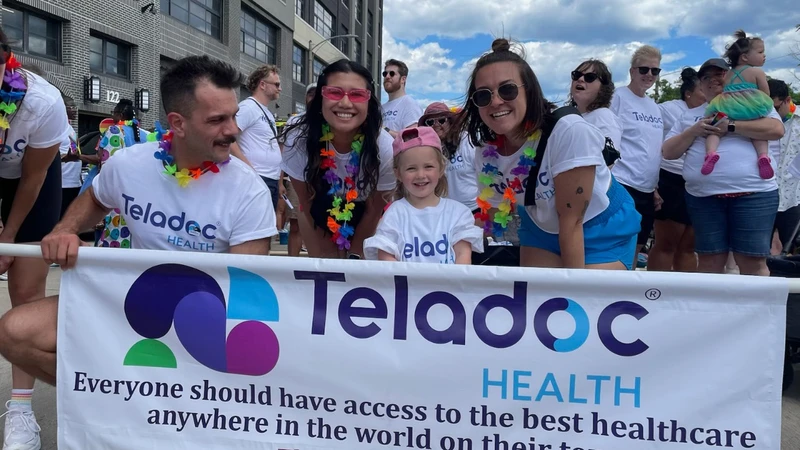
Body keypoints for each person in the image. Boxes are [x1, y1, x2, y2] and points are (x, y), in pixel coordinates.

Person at [0, 55, 278, 399]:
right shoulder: (129, 165)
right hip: (127, 303)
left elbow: (245, 296)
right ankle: (115, 392)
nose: (234, 130)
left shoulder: (249, 190)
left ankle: (156, 398)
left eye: (234, 116)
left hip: (206, 322)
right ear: (177, 123)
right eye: (218, 120)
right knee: (15, 332)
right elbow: (96, 200)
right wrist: (65, 230)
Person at [458, 38, 641, 269]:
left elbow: (571, 221)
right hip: (540, 227)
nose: (495, 101)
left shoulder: (569, 131)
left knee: (577, 301)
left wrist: (571, 291)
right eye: (483, 95)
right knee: (536, 298)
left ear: (529, 91)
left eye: (508, 89)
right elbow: (496, 214)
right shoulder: (486, 151)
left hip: (599, 228)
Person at [0, 30, 71, 450]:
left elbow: (32, 178)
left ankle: (21, 411)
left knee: (25, 292)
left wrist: (8, 240)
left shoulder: (42, 102)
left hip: (31, 182)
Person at [663, 58, 784, 275]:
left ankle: (755, 309)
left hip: (754, 194)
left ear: (730, 77)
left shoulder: (752, 101)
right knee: (709, 261)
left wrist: (730, 126)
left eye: (719, 75)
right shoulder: (689, 115)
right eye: (706, 77)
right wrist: (694, 131)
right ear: (699, 84)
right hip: (704, 198)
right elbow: (669, 152)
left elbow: (776, 129)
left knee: (752, 262)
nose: (713, 80)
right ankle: (711, 310)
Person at [280, 59, 395, 259]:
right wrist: (327, 251)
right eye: (335, 92)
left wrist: (354, 253)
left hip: (364, 212)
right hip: (317, 210)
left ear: (369, 101)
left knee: (357, 272)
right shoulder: (299, 139)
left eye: (357, 95)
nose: (345, 103)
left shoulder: (383, 147)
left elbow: (373, 210)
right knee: (325, 272)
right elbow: (307, 203)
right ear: (321, 98)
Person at [364, 126, 483, 263]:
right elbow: (385, 257)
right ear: (398, 174)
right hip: (407, 284)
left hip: (448, 284)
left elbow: (463, 256)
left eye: (428, 167)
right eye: (411, 168)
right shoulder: (394, 214)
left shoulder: (458, 213)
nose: (421, 175)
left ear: (441, 169)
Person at [610, 45, 665, 268]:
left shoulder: (654, 106)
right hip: (622, 182)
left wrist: (655, 188)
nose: (649, 75)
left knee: (639, 245)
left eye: (655, 71)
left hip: (647, 188)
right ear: (632, 71)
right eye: (644, 69)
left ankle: (626, 294)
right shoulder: (618, 97)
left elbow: (651, 148)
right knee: (618, 243)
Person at [648, 68, 706, 272]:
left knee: (689, 246)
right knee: (667, 244)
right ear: (688, 93)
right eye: (701, 89)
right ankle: (654, 293)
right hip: (670, 179)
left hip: (698, 182)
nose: (705, 93)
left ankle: (684, 298)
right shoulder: (668, 109)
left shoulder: (714, 109)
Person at [703, 30, 774, 179]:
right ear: (745, 57)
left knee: (715, 130)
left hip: (727, 106)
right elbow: (765, 93)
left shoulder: (728, 74)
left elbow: (725, 90)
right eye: (761, 52)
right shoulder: (756, 72)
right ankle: (762, 156)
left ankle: (710, 153)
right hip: (751, 107)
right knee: (757, 132)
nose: (764, 55)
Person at [93, 99, 149, 248]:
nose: (113, 117)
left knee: (114, 237)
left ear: (121, 114)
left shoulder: (114, 131)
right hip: (142, 199)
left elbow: (108, 167)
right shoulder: (148, 135)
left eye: (114, 113)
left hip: (118, 197)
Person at [229, 65, 283, 211]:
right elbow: (229, 138)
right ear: (263, 85)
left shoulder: (267, 112)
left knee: (267, 227)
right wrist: (249, 169)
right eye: (277, 84)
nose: (280, 88)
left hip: (270, 177)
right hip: (257, 177)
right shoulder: (248, 108)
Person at [417, 102, 478, 211]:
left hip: (474, 210)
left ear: (450, 122)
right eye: (430, 122)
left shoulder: (467, 141)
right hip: (446, 213)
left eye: (441, 120)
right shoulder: (426, 150)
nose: (436, 124)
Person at [769, 78, 800, 253]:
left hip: (794, 197)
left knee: (794, 251)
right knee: (759, 252)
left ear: (787, 100)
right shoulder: (760, 121)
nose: (770, 113)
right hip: (764, 195)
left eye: (775, 108)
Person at [568, 59, 623, 157]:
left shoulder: (604, 117)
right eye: (577, 75)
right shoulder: (568, 116)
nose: (580, 79)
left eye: (589, 77)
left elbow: (608, 162)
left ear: (603, 88)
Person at [381, 59, 423, 136]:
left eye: (392, 74)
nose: (387, 76)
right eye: (385, 74)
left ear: (403, 79)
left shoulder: (410, 105)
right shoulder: (380, 108)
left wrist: (383, 129)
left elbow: (412, 138)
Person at [59, 98, 82, 219]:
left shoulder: (71, 129)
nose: (75, 110)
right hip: (63, 182)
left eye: (75, 107)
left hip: (74, 182)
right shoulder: (58, 128)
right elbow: (49, 156)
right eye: (71, 107)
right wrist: (66, 158)